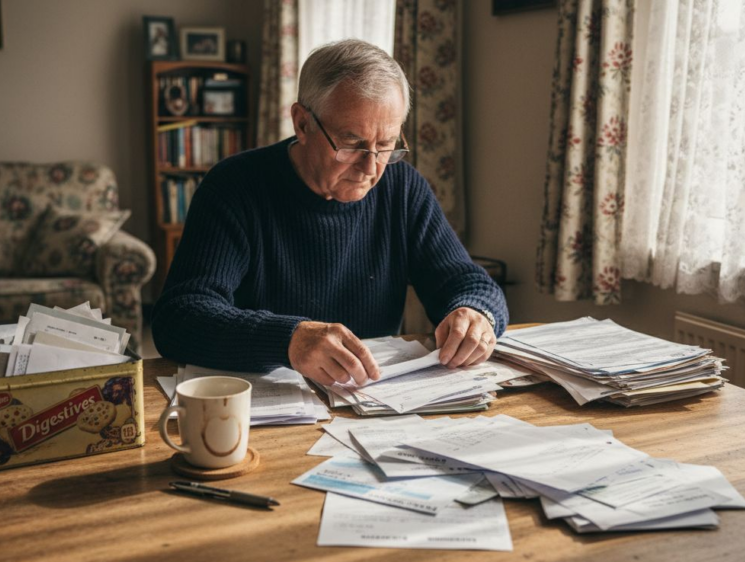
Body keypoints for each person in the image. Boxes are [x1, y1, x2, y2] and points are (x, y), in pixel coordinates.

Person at [152, 39, 508, 386]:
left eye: (386, 144)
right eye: (352, 143)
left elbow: (469, 283)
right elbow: (179, 318)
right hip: (269, 399)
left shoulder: (401, 187)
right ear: (302, 123)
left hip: (373, 396)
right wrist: (287, 340)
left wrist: (476, 314)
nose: (371, 167)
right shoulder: (235, 187)